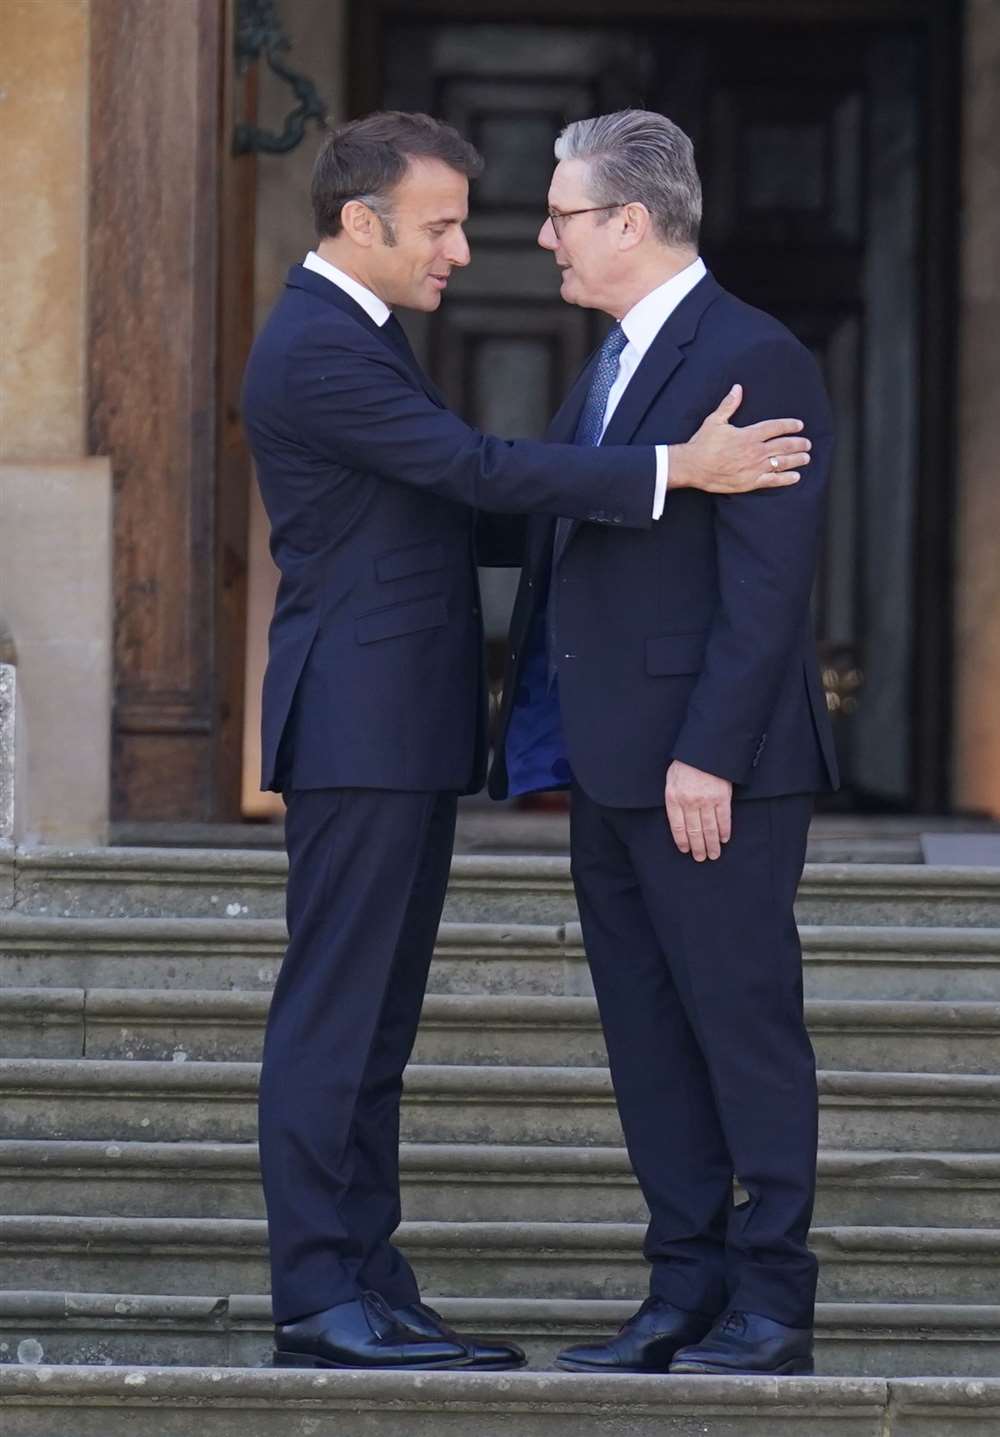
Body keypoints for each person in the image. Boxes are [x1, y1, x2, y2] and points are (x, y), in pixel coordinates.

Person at [241, 110, 811, 1373]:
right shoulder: (323, 346)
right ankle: (317, 1296)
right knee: (337, 1019)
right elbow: (477, 470)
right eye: (442, 225)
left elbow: (479, 503)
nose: (471, 248)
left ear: (628, 220)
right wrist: (674, 471)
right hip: (360, 724)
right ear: (360, 222)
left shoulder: (372, 337)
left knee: (373, 1027)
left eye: (542, 214)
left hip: (409, 727)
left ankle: (369, 1283)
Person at [490, 109, 840, 1378]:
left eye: (562, 214)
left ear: (630, 222)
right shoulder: (611, 363)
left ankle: (772, 1302)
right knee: (646, 1037)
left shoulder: (756, 353)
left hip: (711, 773)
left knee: (741, 1029)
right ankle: (681, 1291)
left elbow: (768, 583)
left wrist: (712, 754)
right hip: (607, 763)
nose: (542, 237)